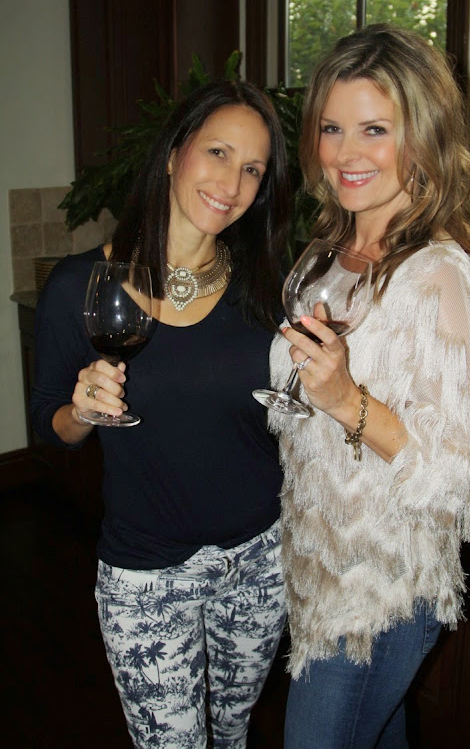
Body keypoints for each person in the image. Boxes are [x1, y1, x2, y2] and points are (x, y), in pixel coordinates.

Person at [266, 24, 470, 748]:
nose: (346, 153)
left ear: (423, 137)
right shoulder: (327, 252)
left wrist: (347, 401)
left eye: (374, 129)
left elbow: (465, 488)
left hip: (381, 594)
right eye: (332, 128)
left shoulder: (441, 276)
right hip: (317, 567)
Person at [30, 79, 291, 749]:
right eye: (217, 152)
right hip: (147, 575)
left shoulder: (265, 286)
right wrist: (82, 410)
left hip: (260, 562)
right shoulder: (82, 286)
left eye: (252, 169)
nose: (231, 183)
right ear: (175, 153)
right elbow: (50, 428)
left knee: (232, 734)